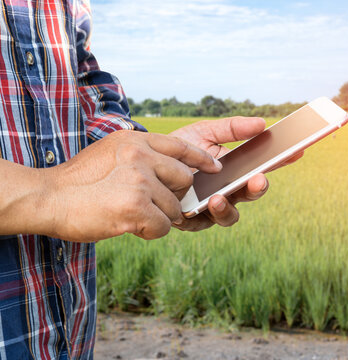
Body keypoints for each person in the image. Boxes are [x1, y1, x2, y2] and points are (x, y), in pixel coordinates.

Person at [0, 0, 300, 358]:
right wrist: (54, 192)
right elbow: (64, 184)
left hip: (69, 334)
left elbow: (87, 94)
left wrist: (157, 158)